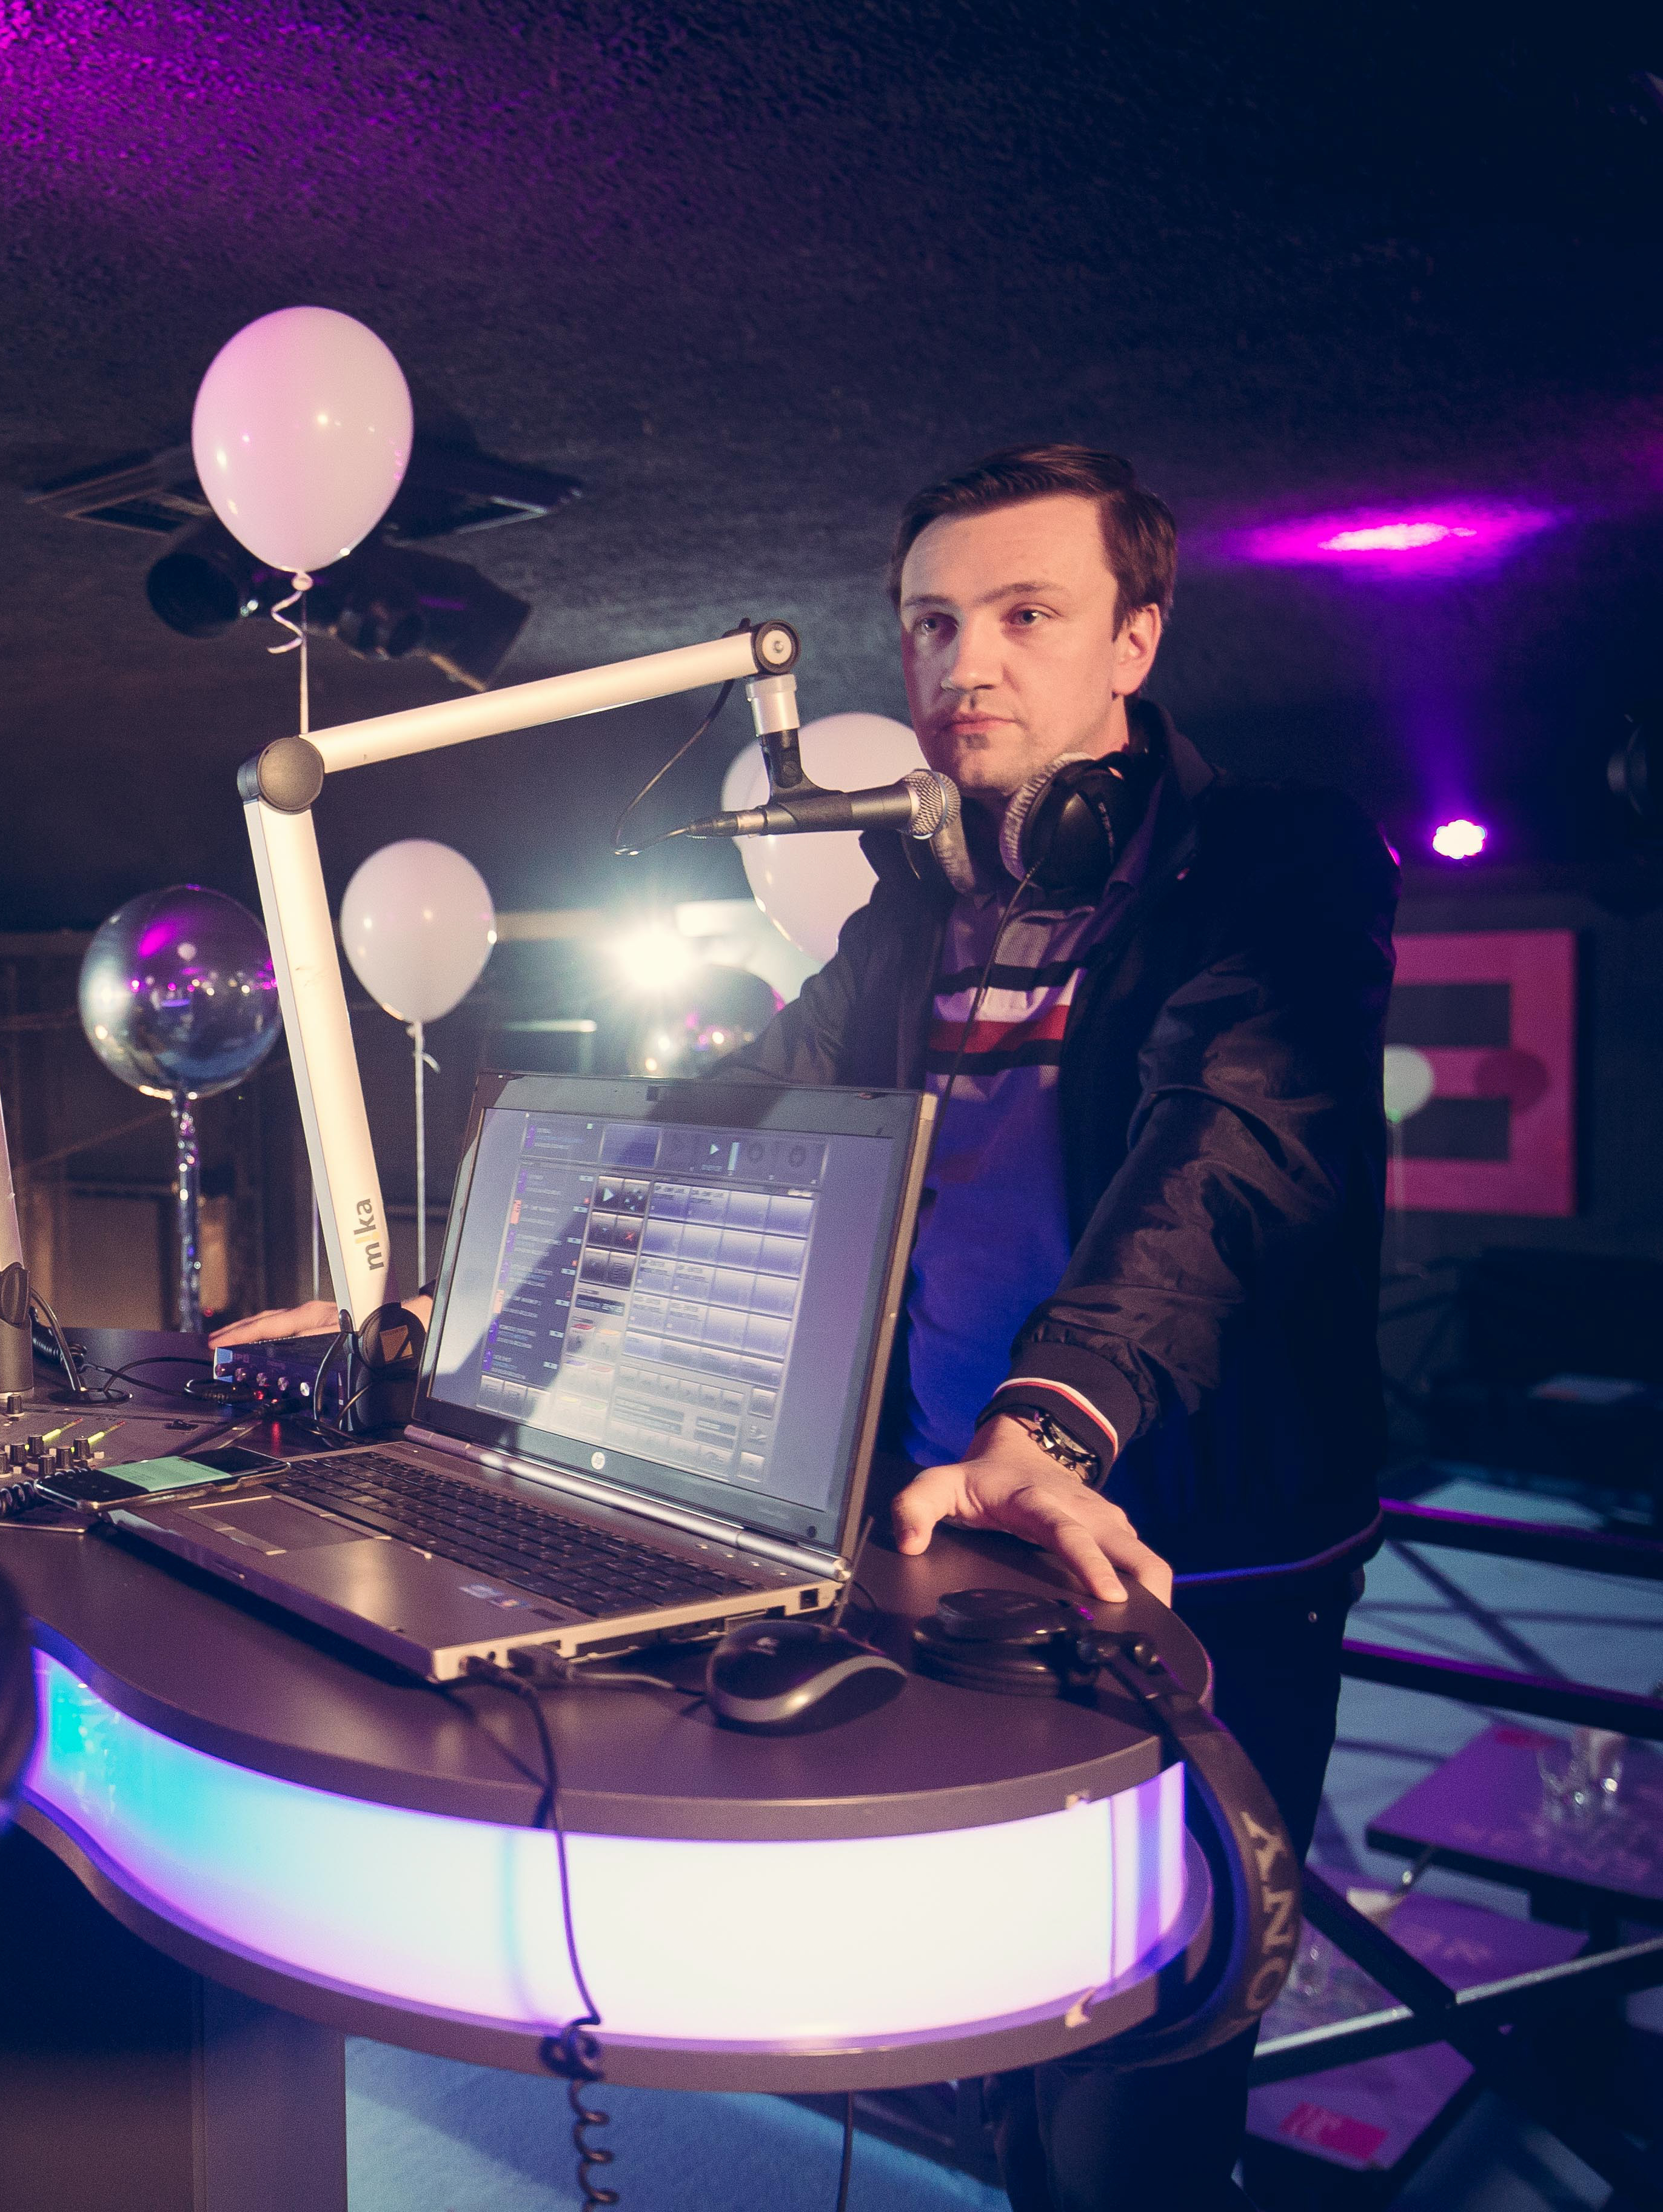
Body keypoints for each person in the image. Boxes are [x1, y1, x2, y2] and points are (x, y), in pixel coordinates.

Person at [221, 445, 1392, 2211]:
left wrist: (1050, 1420)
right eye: (930, 624)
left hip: (1179, 1556)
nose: (962, 664)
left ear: (1136, 639)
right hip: (938, 1529)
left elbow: (1222, 1159)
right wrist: (449, 1304)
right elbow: (724, 1136)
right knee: (994, 2026)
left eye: (1025, 615)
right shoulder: (916, 906)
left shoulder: (1274, 861)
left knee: (1138, 2076)